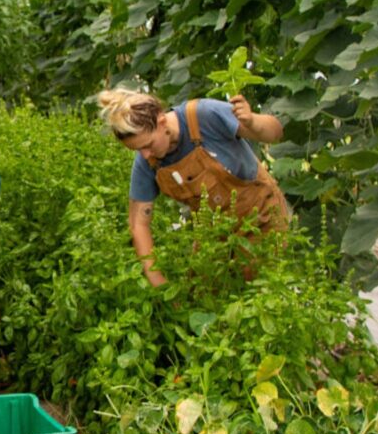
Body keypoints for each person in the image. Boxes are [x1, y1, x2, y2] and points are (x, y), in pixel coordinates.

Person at [98, 88, 289, 286]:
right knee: (202, 291)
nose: (146, 155)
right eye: (138, 149)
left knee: (265, 284)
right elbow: (138, 224)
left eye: (148, 144)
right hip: (214, 228)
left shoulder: (204, 115)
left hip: (261, 214)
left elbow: (275, 133)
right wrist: (158, 282)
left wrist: (253, 122)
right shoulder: (148, 163)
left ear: (162, 121)